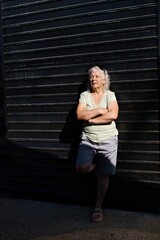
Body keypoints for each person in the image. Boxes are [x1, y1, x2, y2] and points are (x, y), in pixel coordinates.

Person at [76, 66, 119, 223]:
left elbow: (113, 114)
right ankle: (97, 167)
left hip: (108, 140)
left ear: (103, 80)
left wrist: (93, 120)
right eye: (91, 76)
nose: (93, 78)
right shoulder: (84, 96)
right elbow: (80, 115)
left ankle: (98, 207)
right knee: (81, 168)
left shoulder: (110, 95)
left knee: (103, 176)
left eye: (96, 76)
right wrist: (100, 110)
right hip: (88, 139)